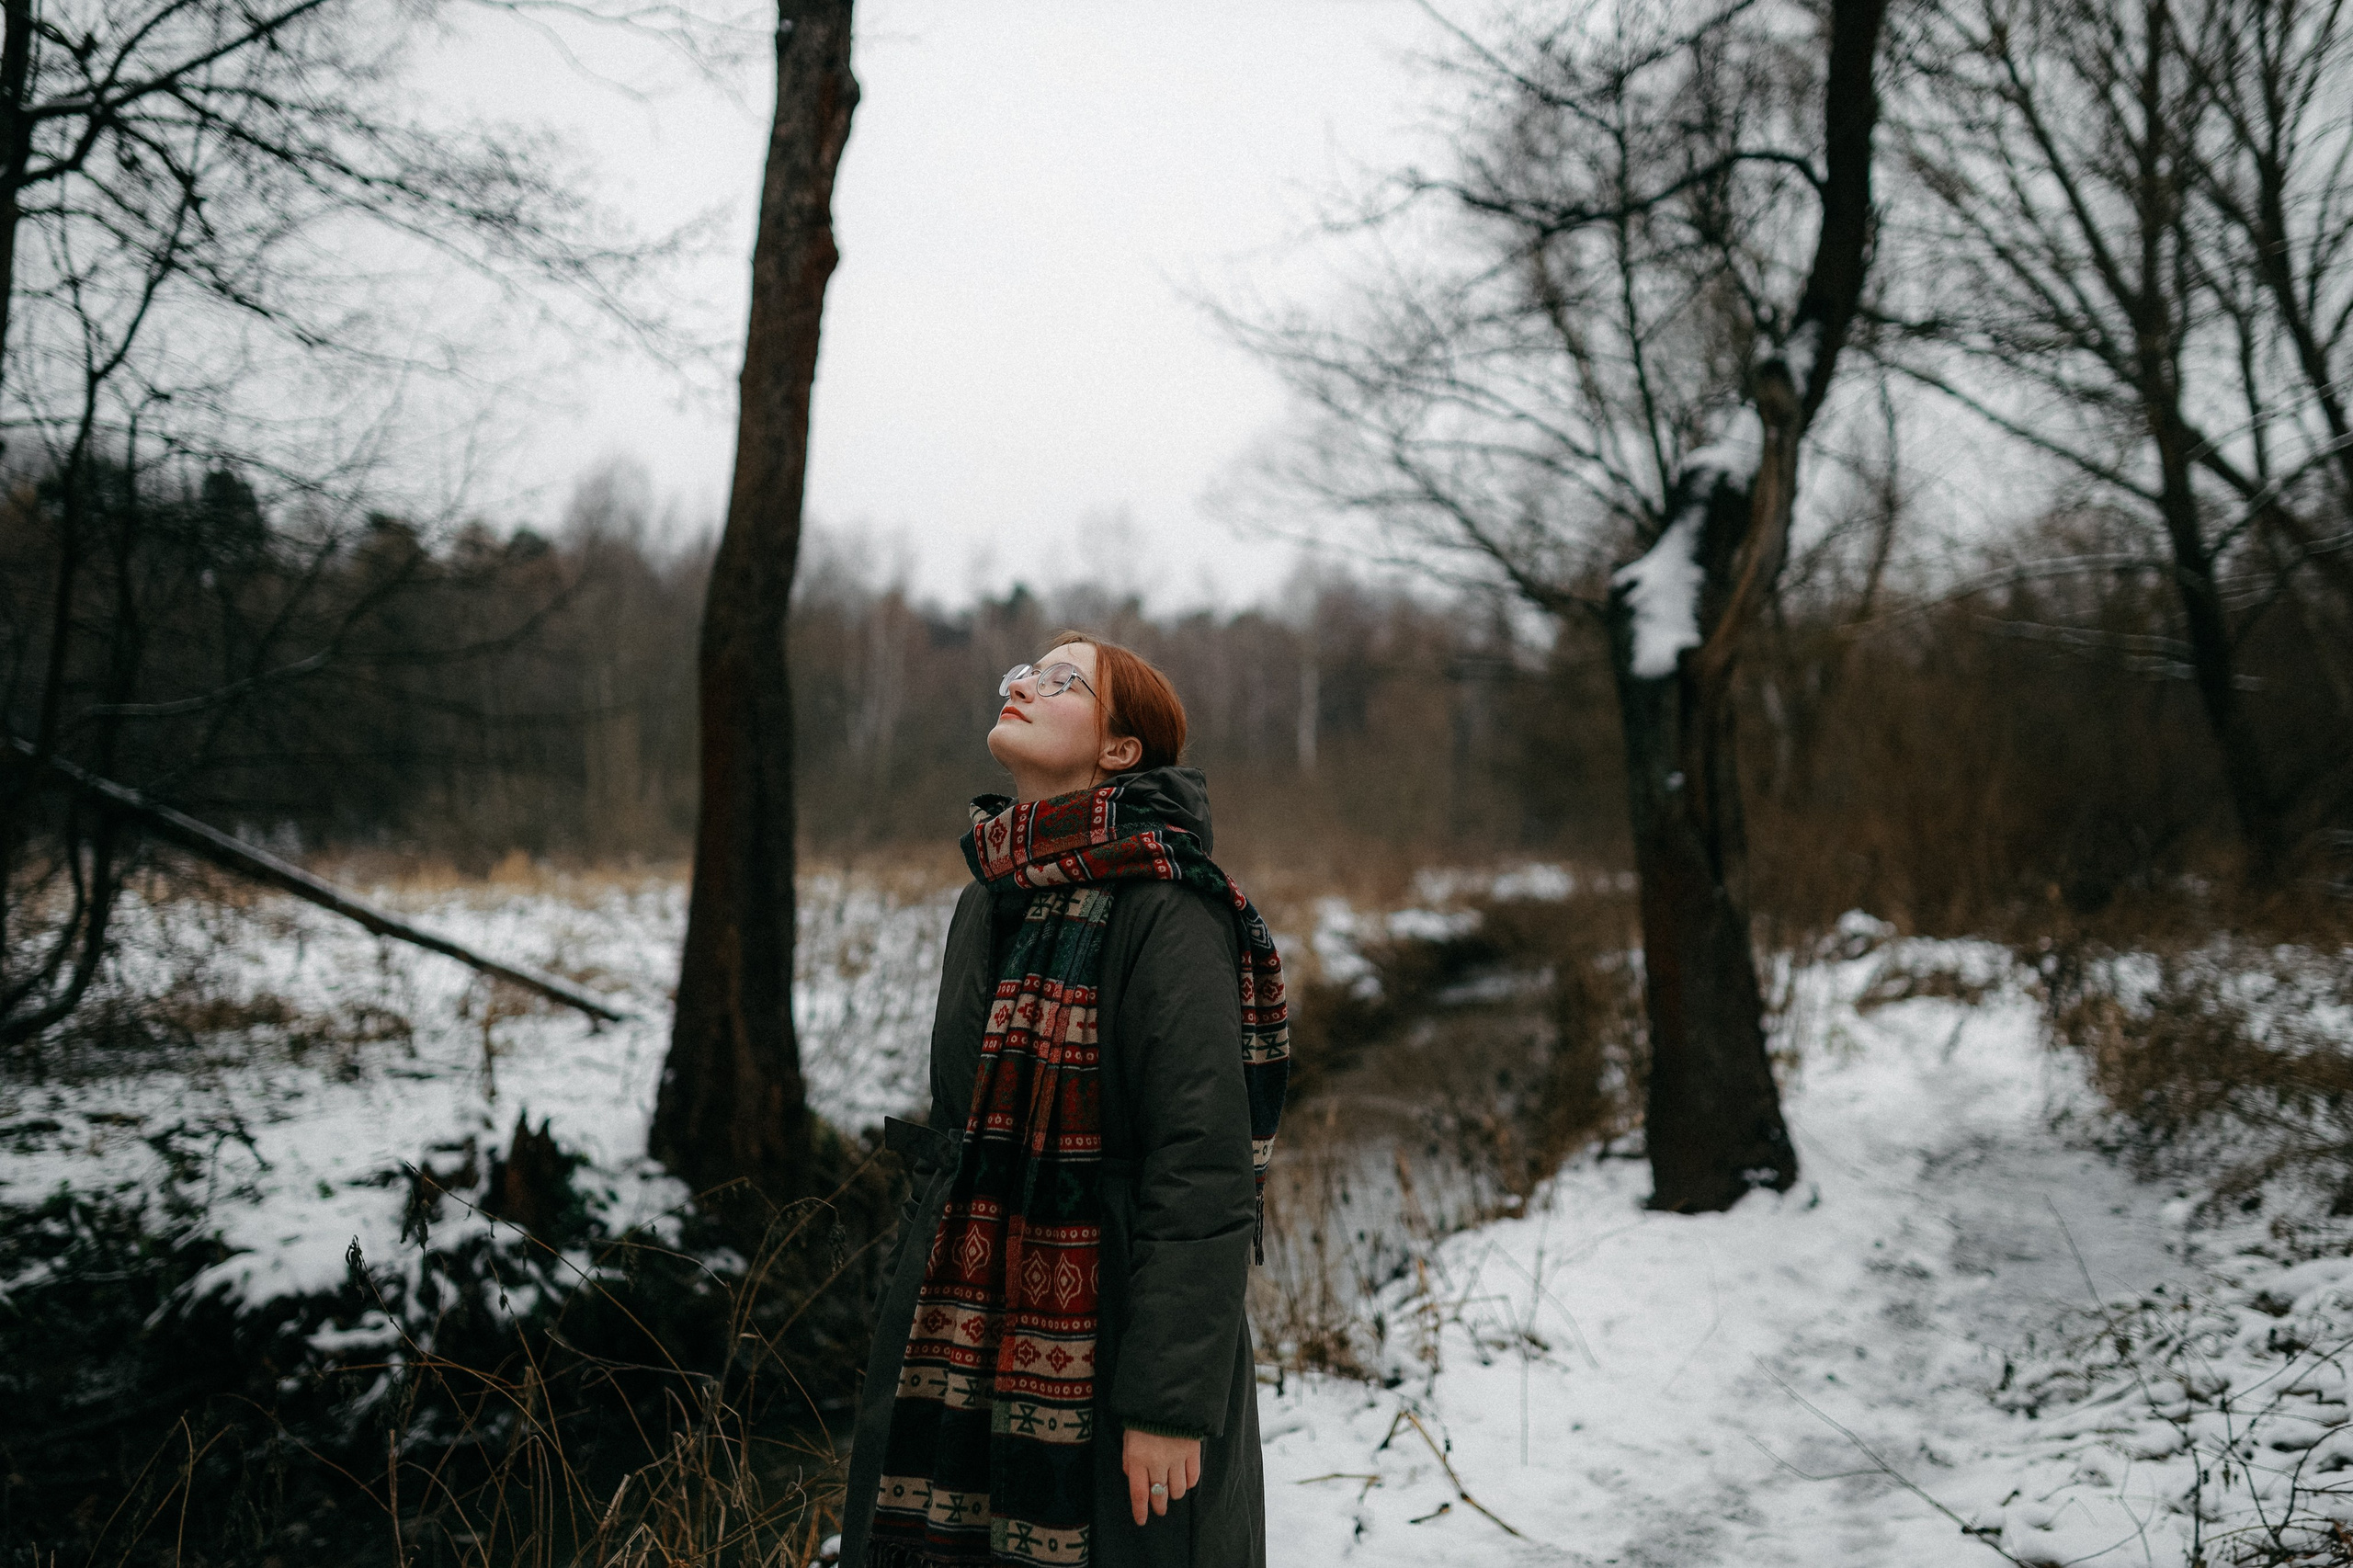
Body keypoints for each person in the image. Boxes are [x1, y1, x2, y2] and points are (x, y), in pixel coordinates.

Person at [837, 632, 1288, 1568]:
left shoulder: (1170, 905)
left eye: (1063, 680)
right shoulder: (990, 896)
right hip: (963, 1323)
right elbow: (959, 1132)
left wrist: (1168, 1404)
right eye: (1026, 673)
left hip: (1114, 1331)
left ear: (1119, 748)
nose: (1026, 686)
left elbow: (1203, 1169)